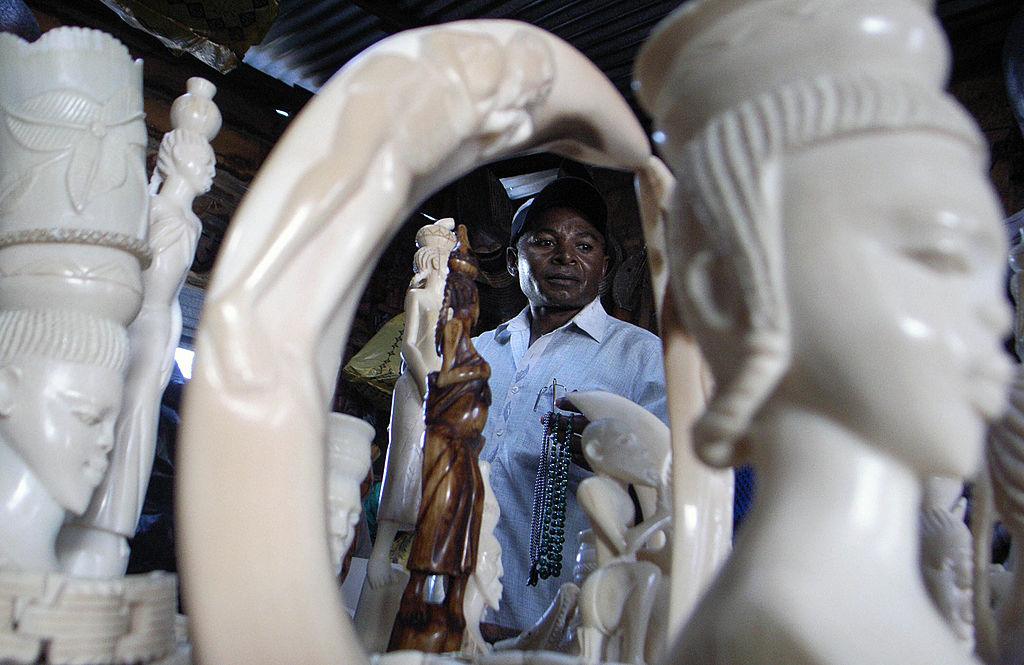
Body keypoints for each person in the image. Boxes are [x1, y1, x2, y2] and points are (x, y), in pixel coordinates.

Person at [473, 176, 667, 634]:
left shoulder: (641, 358)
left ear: (603, 267)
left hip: (559, 623)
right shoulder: (477, 354)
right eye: (544, 241)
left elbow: (670, 488)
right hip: (454, 607)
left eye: (585, 244)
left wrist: (616, 457)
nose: (565, 257)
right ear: (511, 259)